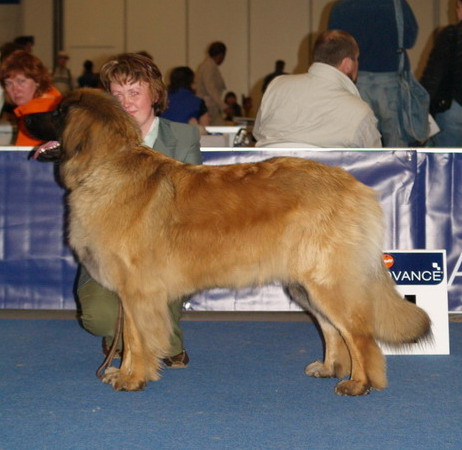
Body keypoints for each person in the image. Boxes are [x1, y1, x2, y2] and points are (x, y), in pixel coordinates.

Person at [78, 52, 202, 368]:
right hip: (109, 251)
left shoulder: (183, 136)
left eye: (134, 92)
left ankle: (163, 336)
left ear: (155, 94)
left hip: (166, 249)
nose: (126, 102)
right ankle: (120, 335)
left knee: (162, 339)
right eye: (117, 94)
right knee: (98, 317)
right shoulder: (94, 138)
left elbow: (190, 201)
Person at [253, 30, 381, 148]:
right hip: (322, 167)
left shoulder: (277, 86)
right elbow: (375, 159)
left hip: (271, 165)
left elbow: (257, 133)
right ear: (347, 64)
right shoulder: (360, 111)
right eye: (356, 59)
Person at [328, 0, 419, 147]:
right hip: (391, 78)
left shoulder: (342, 6)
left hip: (354, 80)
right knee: (396, 139)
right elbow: (409, 40)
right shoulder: (397, 4)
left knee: (360, 137)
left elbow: (333, 45)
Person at [420, 0, 462, 147]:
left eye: (458, 7)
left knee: (447, 158)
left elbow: (433, 76)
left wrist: (423, 107)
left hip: (453, 108)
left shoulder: (450, 34)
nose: (456, 11)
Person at [0, 49, 62, 146]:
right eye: (8, 83)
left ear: (37, 80)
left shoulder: (36, 114)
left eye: (21, 81)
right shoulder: (54, 99)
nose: (15, 90)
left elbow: (23, 153)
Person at [195, 41, 228, 125]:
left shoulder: (209, 65)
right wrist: (223, 106)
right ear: (221, 55)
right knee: (219, 128)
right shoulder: (209, 66)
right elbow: (211, 88)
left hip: (210, 107)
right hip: (208, 108)